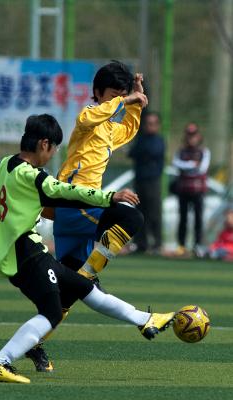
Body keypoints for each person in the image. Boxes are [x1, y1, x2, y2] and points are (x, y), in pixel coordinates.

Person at [0, 113, 174, 383]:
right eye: (54, 148)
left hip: (19, 252)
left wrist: (2, 221)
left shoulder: (3, 165)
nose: (53, 154)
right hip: (27, 252)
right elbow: (69, 192)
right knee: (52, 312)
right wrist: (110, 197)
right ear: (44, 144)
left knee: (84, 287)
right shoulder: (33, 176)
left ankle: (146, 319)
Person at [52, 61, 148, 280]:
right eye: (114, 96)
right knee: (132, 218)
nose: (119, 102)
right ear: (97, 92)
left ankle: (83, 281)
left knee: (67, 290)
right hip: (74, 200)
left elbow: (129, 130)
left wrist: (134, 102)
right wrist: (125, 100)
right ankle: (87, 275)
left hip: (87, 202)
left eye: (121, 96)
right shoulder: (89, 116)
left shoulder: (109, 128)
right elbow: (86, 118)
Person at [128, 111, 165, 253]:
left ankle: (157, 243)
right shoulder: (141, 139)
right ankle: (140, 243)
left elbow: (150, 152)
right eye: (148, 123)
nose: (150, 126)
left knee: (154, 212)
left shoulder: (158, 140)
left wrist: (140, 152)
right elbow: (133, 153)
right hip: (140, 181)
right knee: (140, 212)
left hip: (153, 182)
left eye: (153, 123)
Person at [172, 123, 211, 255]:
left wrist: (186, 167)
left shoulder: (204, 152)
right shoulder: (181, 151)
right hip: (183, 190)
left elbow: (202, 169)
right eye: (189, 135)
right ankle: (181, 245)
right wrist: (191, 165)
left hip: (198, 191)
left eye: (193, 135)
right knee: (183, 219)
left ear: (198, 136)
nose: (191, 138)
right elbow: (176, 164)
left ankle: (197, 245)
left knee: (198, 219)